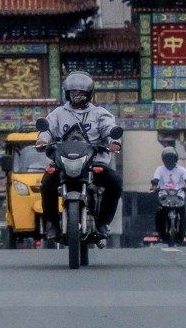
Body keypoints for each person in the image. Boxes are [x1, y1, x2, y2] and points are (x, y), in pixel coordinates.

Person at [36, 71, 123, 241]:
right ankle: (52, 224)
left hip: (94, 162)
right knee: (46, 183)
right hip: (63, 163)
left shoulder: (99, 113)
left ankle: (103, 222)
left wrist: (115, 140)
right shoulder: (57, 114)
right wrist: (42, 140)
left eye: (81, 93)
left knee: (115, 182)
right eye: (74, 92)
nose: (77, 96)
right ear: (67, 93)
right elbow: (47, 130)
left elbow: (110, 128)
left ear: (89, 94)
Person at [151, 146, 186, 241]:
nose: (169, 161)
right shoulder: (160, 169)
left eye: (171, 158)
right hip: (164, 195)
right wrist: (154, 186)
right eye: (167, 159)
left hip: (179, 195)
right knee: (159, 213)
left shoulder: (181, 170)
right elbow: (155, 180)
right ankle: (160, 231)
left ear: (175, 159)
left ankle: (182, 232)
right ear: (164, 160)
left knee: (183, 213)